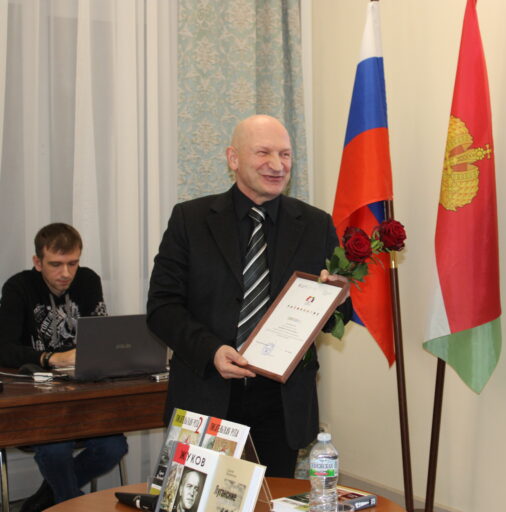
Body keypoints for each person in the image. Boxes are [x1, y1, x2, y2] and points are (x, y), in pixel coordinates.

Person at [147, 115, 351, 478]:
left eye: (285, 154)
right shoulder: (190, 220)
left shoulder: (315, 224)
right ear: (233, 158)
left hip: (281, 403)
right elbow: (162, 308)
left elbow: (336, 318)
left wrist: (337, 297)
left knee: (273, 499)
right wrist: (211, 350)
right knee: (200, 500)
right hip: (206, 393)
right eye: (263, 153)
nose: (277, 164)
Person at [0, 223, 128, 510]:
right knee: (56, 449)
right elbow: (4, 349)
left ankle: (43, 502)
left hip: (83, 393)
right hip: (37, 400)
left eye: (73, 263)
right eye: (56, 264)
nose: (66, 273)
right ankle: (69, 504)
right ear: (38, 262)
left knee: (113, 447)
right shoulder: (18, 287)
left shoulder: (88, 281)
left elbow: (102, 336)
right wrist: (51, 358)